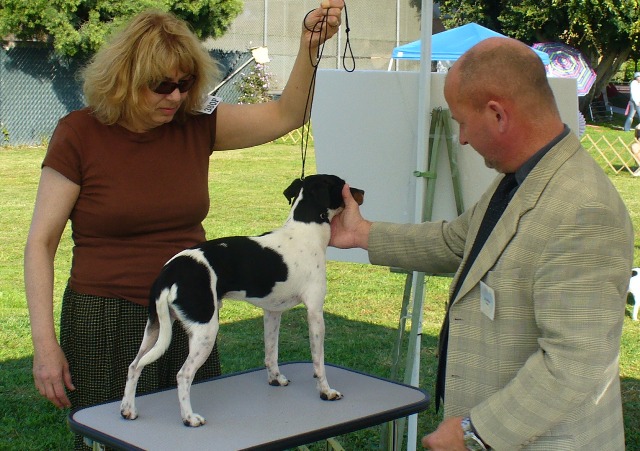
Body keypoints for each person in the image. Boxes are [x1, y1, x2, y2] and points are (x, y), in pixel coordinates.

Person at [24, 3, 344, 449]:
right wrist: (44, 344)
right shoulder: (79, 134)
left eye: (185, 83)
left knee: (193, 438)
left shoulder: (195, 126)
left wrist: (310, 46)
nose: (175, 97)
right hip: (105, 318)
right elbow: (40, 243)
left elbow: (287, 115)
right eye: (161, 86)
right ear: (126, 78)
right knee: (112, 439)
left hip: (193, 305)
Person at [329, 37, 633, 450]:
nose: (462, 140)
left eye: (461, 122)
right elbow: (458, 241)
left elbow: (575, 362)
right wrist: (361, 234)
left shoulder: (583, 209)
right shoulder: (523, 178)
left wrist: (476, 433)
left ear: (497, 115)